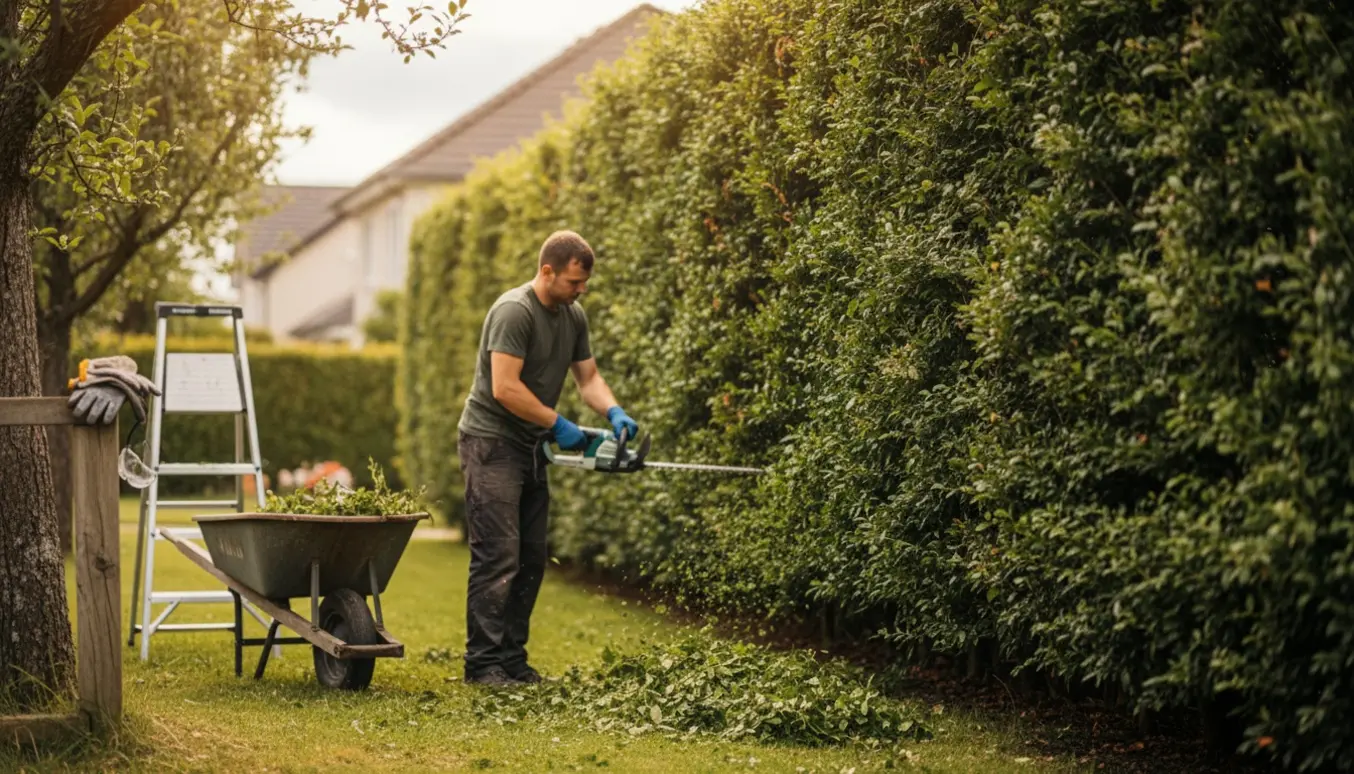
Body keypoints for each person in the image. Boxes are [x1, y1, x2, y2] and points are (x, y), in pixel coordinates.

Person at [456, 229, 639, 686]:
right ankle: (482, 664)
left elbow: (588, 377)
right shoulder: (513, 312)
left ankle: (512, 660)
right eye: (574, 282)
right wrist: (558, 425)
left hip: (529, 445)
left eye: (584, 284)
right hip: (491, 442)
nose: (581, 291)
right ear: (547, 271)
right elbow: (505, 388)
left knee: (532, 556)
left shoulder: (573, 316)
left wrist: (613, 409)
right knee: (498, 555)